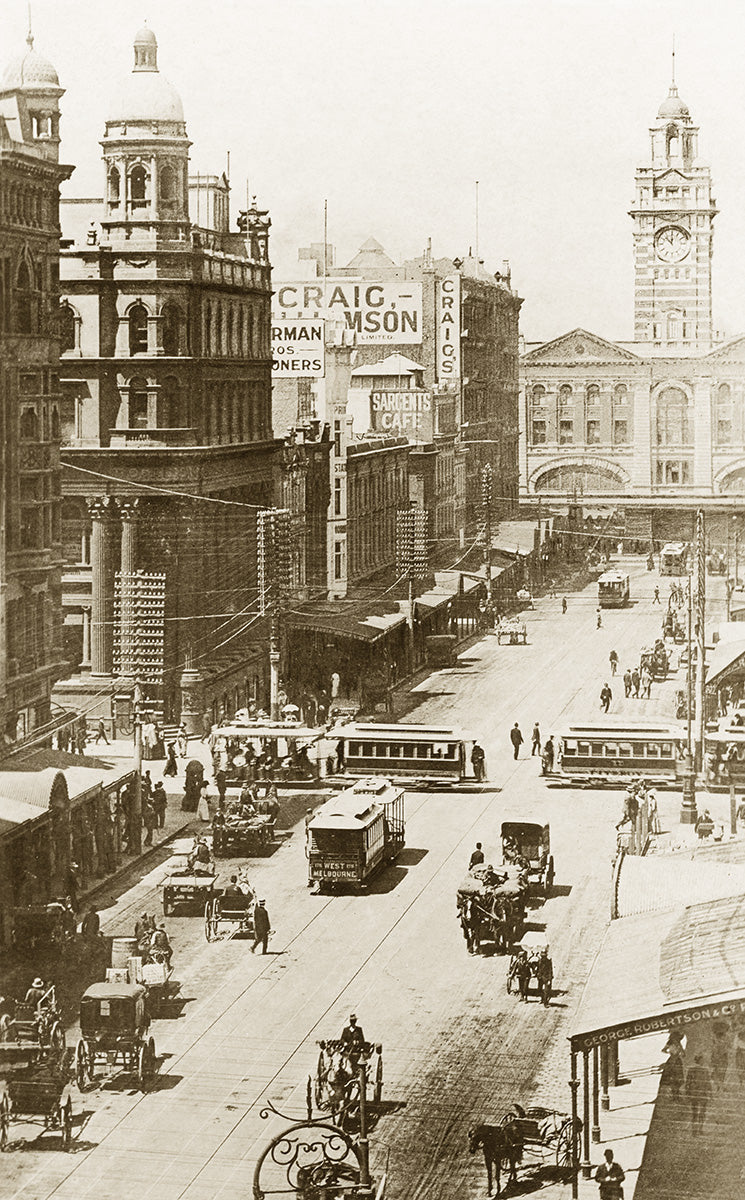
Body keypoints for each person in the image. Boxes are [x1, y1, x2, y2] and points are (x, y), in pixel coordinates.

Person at [686, 1054, 711, 1133]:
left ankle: (695, 1130)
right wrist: (710, 1094)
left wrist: (688, 1093)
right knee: (702, 1112)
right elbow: (708, 1083)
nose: (704, 1061)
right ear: (700, 1061)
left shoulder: (691, 1070)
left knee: (695, 1113)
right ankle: (699, 1129)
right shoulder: (705, 1070)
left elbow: (688, 1083)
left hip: (694, 1094)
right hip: (702, 1094)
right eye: (702, 1060)